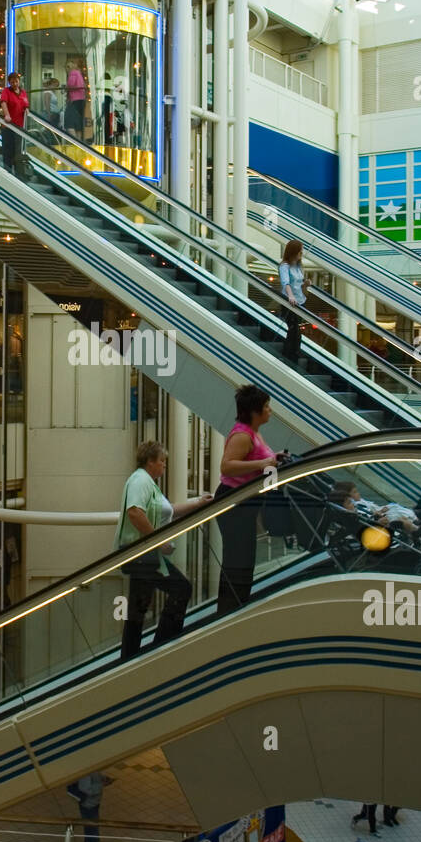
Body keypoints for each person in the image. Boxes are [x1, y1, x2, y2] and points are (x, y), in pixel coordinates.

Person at [114, 440, 211, 661]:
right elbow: (135, 512)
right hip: (143, 554)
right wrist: (159, 541)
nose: (164, 466)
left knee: (138, 610)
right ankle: (162, 647)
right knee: (182, 588)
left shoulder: (147, 483)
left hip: (142, 554)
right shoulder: (140, 481)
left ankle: (129, 659)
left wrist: (197, 503)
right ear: (150, 462)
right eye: (162, 461)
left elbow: (170, 511)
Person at [213, 385, 282, 618]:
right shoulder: (242, 435)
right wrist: (262, 464)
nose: (270, 410)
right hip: (234, 502)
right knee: (237, 561)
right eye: (265, 407)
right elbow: (227, 465)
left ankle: (235, 610)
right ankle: (228, 613)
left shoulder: (253, 432)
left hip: (246, 505)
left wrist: (273, 459)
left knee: (243, 560)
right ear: (254, 411)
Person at [67, 772, 113, 842]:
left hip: (93, 804)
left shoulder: (92, 765)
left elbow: (96, 774)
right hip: (88, 806)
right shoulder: (86, 773)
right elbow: (86, 789)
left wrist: (104, 778)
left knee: (92, 835)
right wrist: (102, 784)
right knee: (92, 837)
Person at [278, 239, 307, 363]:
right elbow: (286, 282)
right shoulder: (285, 266)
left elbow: (300, 285)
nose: (301, 254)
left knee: (297, 329)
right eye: (300, 251)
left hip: (300, 301)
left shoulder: (298, 267)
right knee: (293, 328)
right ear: (294, 252)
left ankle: (294, 354)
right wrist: (290, 296)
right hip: (290, 302)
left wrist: (305, 285)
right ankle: (289, 355)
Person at [0, 71, 29, 174]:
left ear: (19, 81)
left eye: (16, 81)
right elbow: (3, 102)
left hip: (19, 127)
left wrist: (27, 110)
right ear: (9, 83)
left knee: (18, 150)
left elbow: (25, 105)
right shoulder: (6, 91)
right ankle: (7, 172)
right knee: (8, 150)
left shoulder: (23, 92)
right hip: (9, 126)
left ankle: (17, 172)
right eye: (12, 82)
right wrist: (7, 115)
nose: (15, 84)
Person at [64, 58, 87, 140]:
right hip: (81, 100)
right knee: (78, 122)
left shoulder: (73, 73)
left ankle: (74, 141)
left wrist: (66, 88)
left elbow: (71, 85)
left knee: (69, 121)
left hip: (75, 100)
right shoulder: (79, 73)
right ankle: (79, 141)